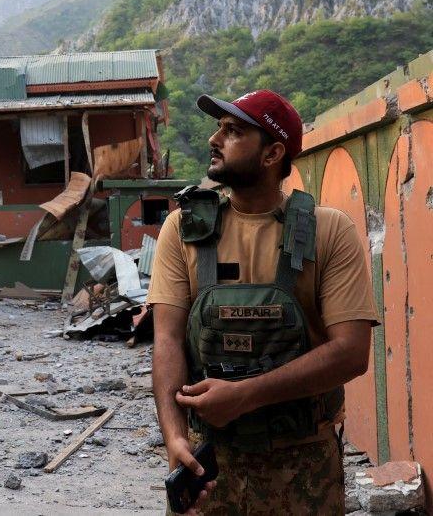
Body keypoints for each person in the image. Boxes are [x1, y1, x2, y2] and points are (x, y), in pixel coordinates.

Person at [147, 90, 378, 514]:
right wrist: (175, 438)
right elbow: (167, 340)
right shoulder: (182, 230)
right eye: (219, 127)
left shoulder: (329, 231)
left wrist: (245, 395)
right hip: (208, 467)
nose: (215, 139)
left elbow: (351, 352)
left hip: (304, 468)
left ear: (272, 154)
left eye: (233, 131)